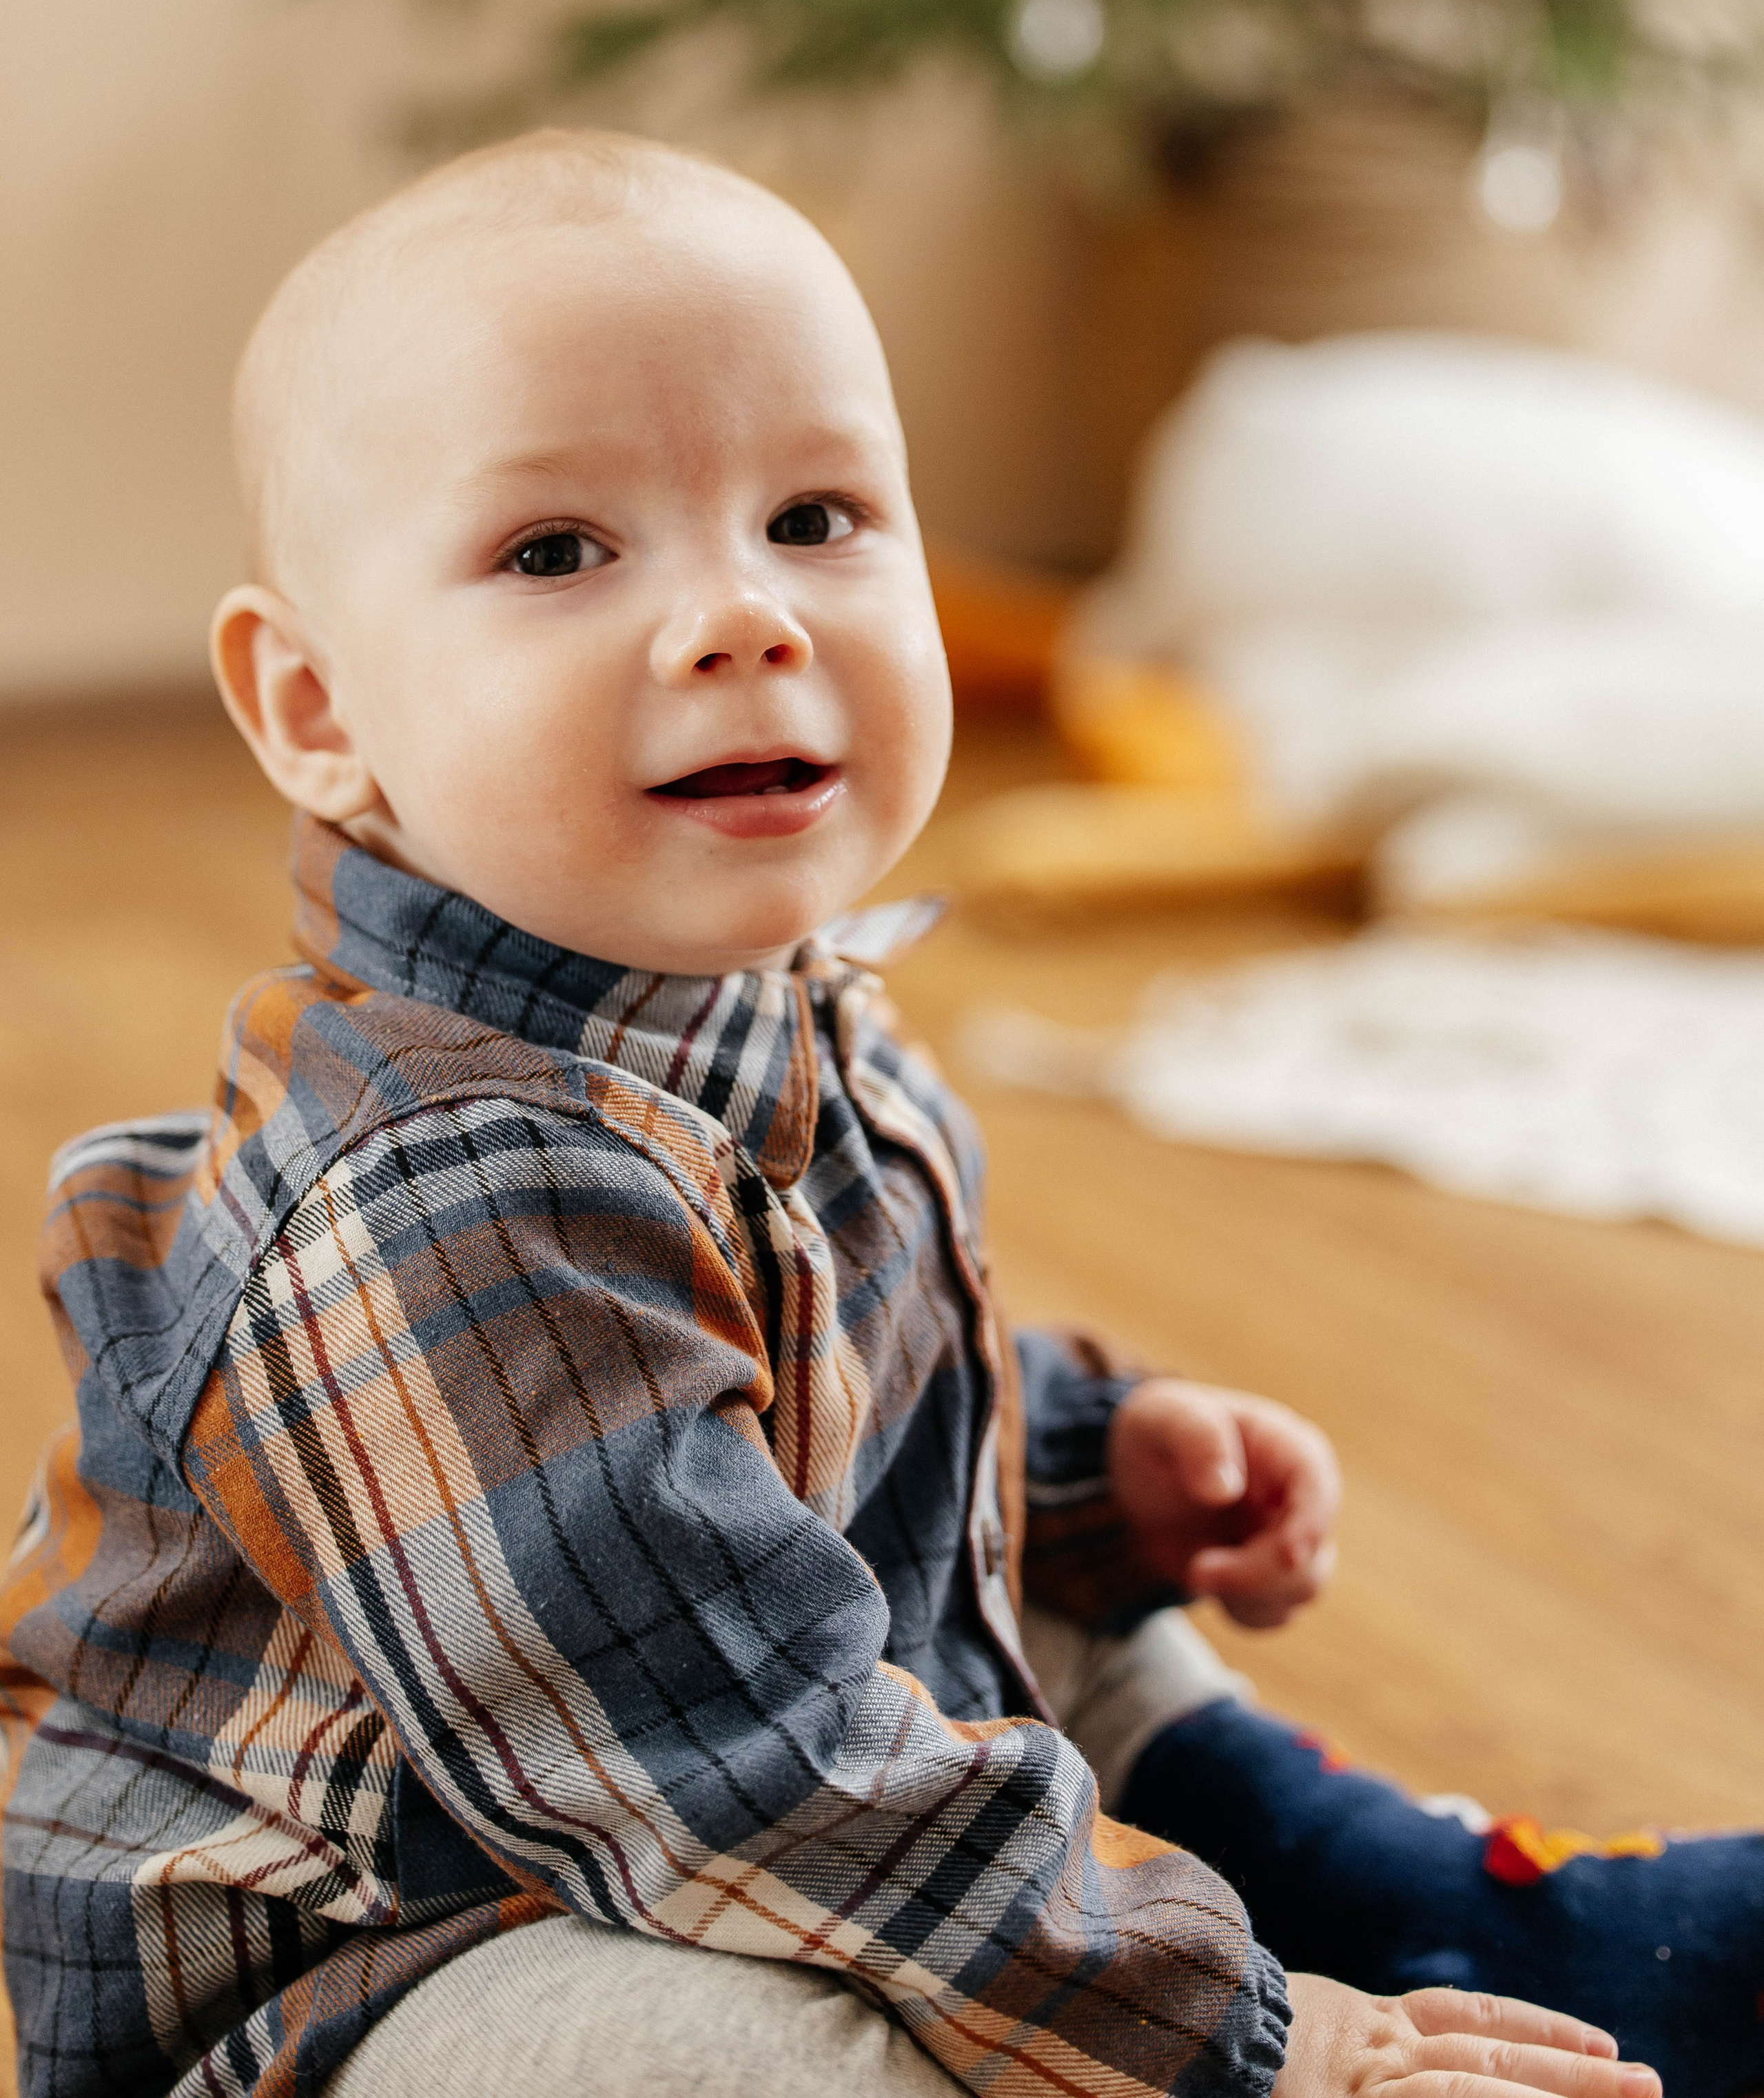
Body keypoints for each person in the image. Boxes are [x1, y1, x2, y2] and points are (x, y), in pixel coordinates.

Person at [0, 131, 1753, 2098]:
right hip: (407, 1972)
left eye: (818, 515)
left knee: (1041, 1632)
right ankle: (1267, 1983)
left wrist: (1090, 1459)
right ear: (319, 711)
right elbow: (750, 1765)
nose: (740, 616)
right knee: (802, 2037)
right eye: (561, 554)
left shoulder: (757, 1005)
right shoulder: (435, 1191)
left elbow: (833, 1399)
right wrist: (1247, 2048)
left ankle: (1400, 1903)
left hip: (710, 1773)